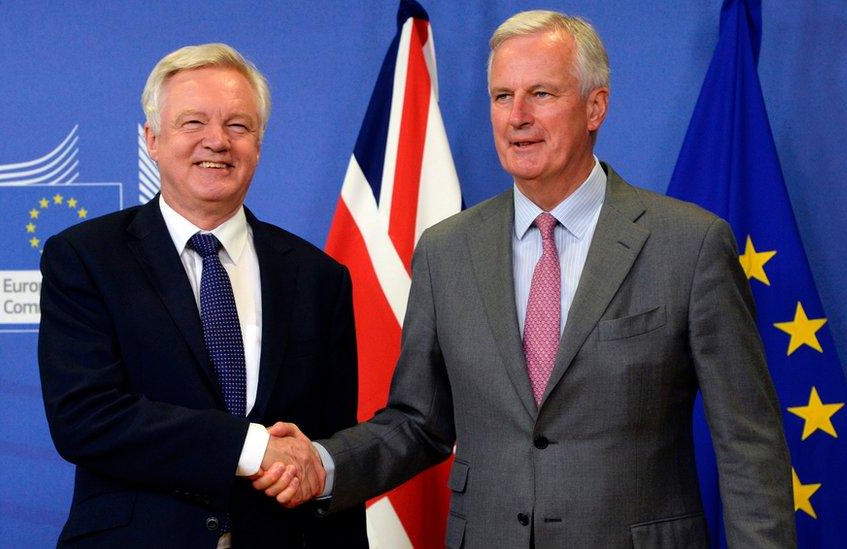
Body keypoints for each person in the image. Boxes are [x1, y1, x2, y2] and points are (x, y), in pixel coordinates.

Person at [257, 10, 795, 548]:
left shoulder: (689, 244)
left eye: (541, 94)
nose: (517, 116)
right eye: (501, 96)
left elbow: (749, 445)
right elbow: (419, 422)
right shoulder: (446, 251)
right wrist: (324, 462)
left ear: (595, 107)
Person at [38, 43, 366, 548]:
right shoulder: (85, 258)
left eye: (238, 125)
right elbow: (86, 418)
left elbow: (327, 448)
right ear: (152, 138)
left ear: (259, 143)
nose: (217, 141)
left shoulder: (317, 276)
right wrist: (253, 448)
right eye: (193, 123)